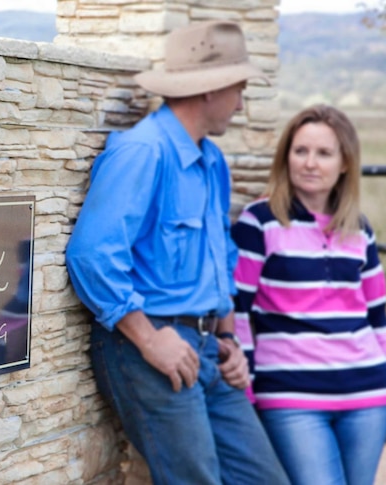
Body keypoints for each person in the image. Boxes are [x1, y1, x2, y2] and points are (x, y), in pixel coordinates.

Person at [65, 20, 289, 485]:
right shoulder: (144, 152)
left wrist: (229, 339)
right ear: (211, 89)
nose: (242, 103)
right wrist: (150, 339)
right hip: (148, 348)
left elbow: (219, 256)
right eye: (239, 89)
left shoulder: (211, 159)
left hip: (210, 349)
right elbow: (91, 255)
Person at [231, 104, 386, 485]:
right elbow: (238, 310)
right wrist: (244, 390)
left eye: (324, 153)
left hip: (367, 393)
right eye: (301, 151)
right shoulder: (259, 222)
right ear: (286, 156)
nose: (310, 163)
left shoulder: (359, 230)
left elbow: (377, 318)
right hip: (290, 395)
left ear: (345, 163)